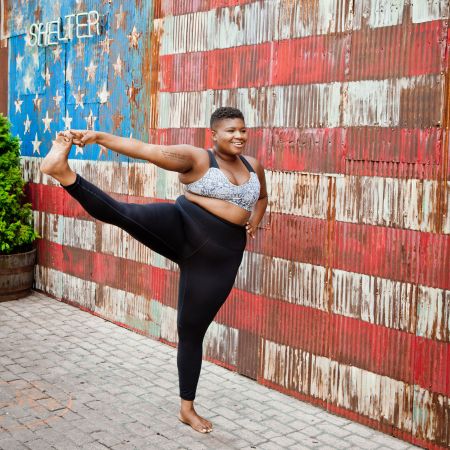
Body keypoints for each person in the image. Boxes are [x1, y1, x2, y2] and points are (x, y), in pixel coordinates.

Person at [39, 106, 268, 434]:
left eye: (243, 130)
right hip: (182, 225)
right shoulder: (198, 159)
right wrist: (99, 136)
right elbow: (145, 150)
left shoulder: (253, 166)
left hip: (220, 258)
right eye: (231, 130)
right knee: (123, 213)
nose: (239, 136)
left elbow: (261, 197)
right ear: (214, 134)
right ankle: (63, 174)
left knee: (191, 332)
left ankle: (186, 409)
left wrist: (254, 222)